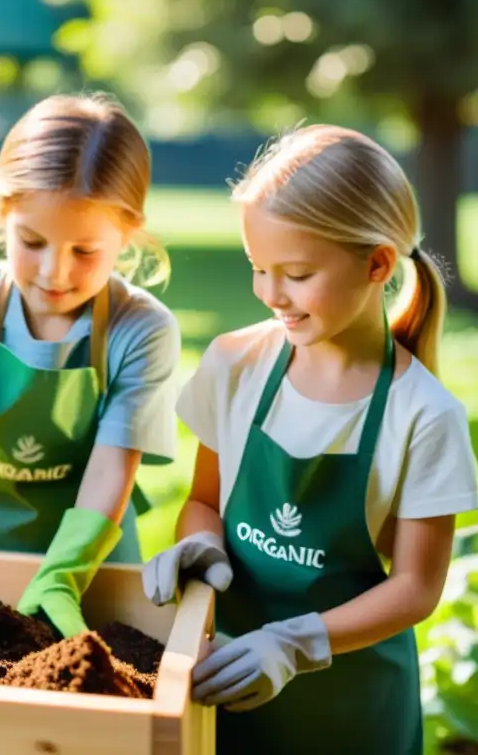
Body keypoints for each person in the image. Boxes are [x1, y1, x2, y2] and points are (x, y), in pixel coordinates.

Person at [140, 124, 478, 755]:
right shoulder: (235, 364)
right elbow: (205, 501)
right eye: (257, 268)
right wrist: (198, 547)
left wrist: (292, 645)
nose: (271, 294)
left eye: (295, 274)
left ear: (377, 263)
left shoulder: (425, 414)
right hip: (230, 683)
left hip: (355, 712)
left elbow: (416, 588)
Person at [0, 92, 182, 640]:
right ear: (3, 213)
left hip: (91, 566)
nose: (54, 272)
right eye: (32, 241)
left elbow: (114, 464)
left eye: (85, 251)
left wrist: (65, 573)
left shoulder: (141, 329)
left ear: (129, 231)